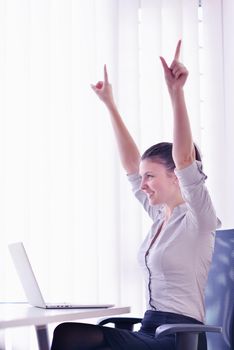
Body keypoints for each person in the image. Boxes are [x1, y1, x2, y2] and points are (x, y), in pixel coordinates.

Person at [51, 40, 220, 350]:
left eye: (150, 177)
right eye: (142, 178)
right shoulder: (158, 217)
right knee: (70, 333)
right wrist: (110, 104)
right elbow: (131, 166)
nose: (142, 184)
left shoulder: (199, 218)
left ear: (176, 176)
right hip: (149, 328)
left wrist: (176, 93)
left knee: (71, 337)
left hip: (180, 337)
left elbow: (184, 159)